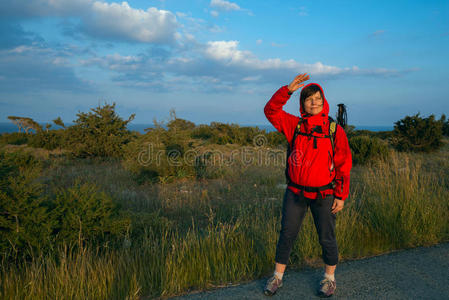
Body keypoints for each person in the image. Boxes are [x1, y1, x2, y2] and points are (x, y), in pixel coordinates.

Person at [263, 73, 352, 297]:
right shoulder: (294, 125)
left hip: (325, 195)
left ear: (324, 102)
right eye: (309, 98)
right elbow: (270, 111)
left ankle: (329, 279)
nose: (314, 102)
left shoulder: (334, 131)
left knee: (326, 237)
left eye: (318, 98)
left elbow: (343, 165)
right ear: (302, 103)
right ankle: (277, 277)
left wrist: (340, 195)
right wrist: (287, 90)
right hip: (295, 193)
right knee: (287, 233)